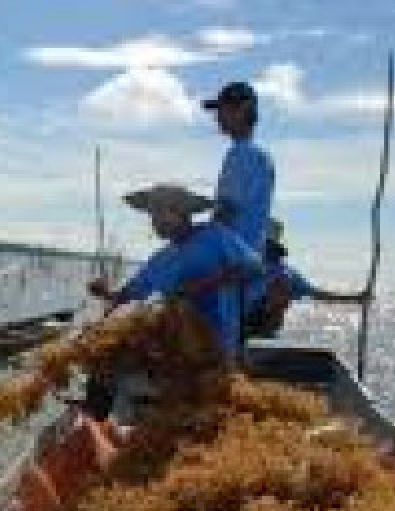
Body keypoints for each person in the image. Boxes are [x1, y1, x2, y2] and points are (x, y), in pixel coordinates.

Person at [90, 184, 264, 360]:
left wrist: (204, 284)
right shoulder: (160, 259)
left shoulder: (215, 235)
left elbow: (256, 267)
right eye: (152, 214)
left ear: (182, 212)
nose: (155, 221)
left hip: (216, 346)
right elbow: (129, 295)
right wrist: (106, 293)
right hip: (173, 351)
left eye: (161, 212)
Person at [244, 219, 368, 338]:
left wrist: (356, 298)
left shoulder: (285, 273)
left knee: (281, 283)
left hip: (261, 323)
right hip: (242, 321)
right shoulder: (246, 265)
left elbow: (317, 294)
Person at [204, 81, 275, 254]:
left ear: (242, 111)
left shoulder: (240, 153)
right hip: (251, 253)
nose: (218, 117)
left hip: (232, 256)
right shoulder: (262, 158)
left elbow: (226, 211)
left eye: (223, 110)